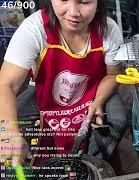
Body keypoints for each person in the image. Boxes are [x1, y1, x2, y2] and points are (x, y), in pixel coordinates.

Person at [0, 0, 127, 167]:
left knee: (118, 120)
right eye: (63, 0)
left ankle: (89, 163)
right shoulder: (34, 29)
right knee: (20, 125)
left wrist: (98, 101)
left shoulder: (108, 29)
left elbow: (113, 74)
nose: (74, 12)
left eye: (85, 2)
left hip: (92, 93)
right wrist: (9, 132)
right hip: (46, 98)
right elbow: (6, 84)